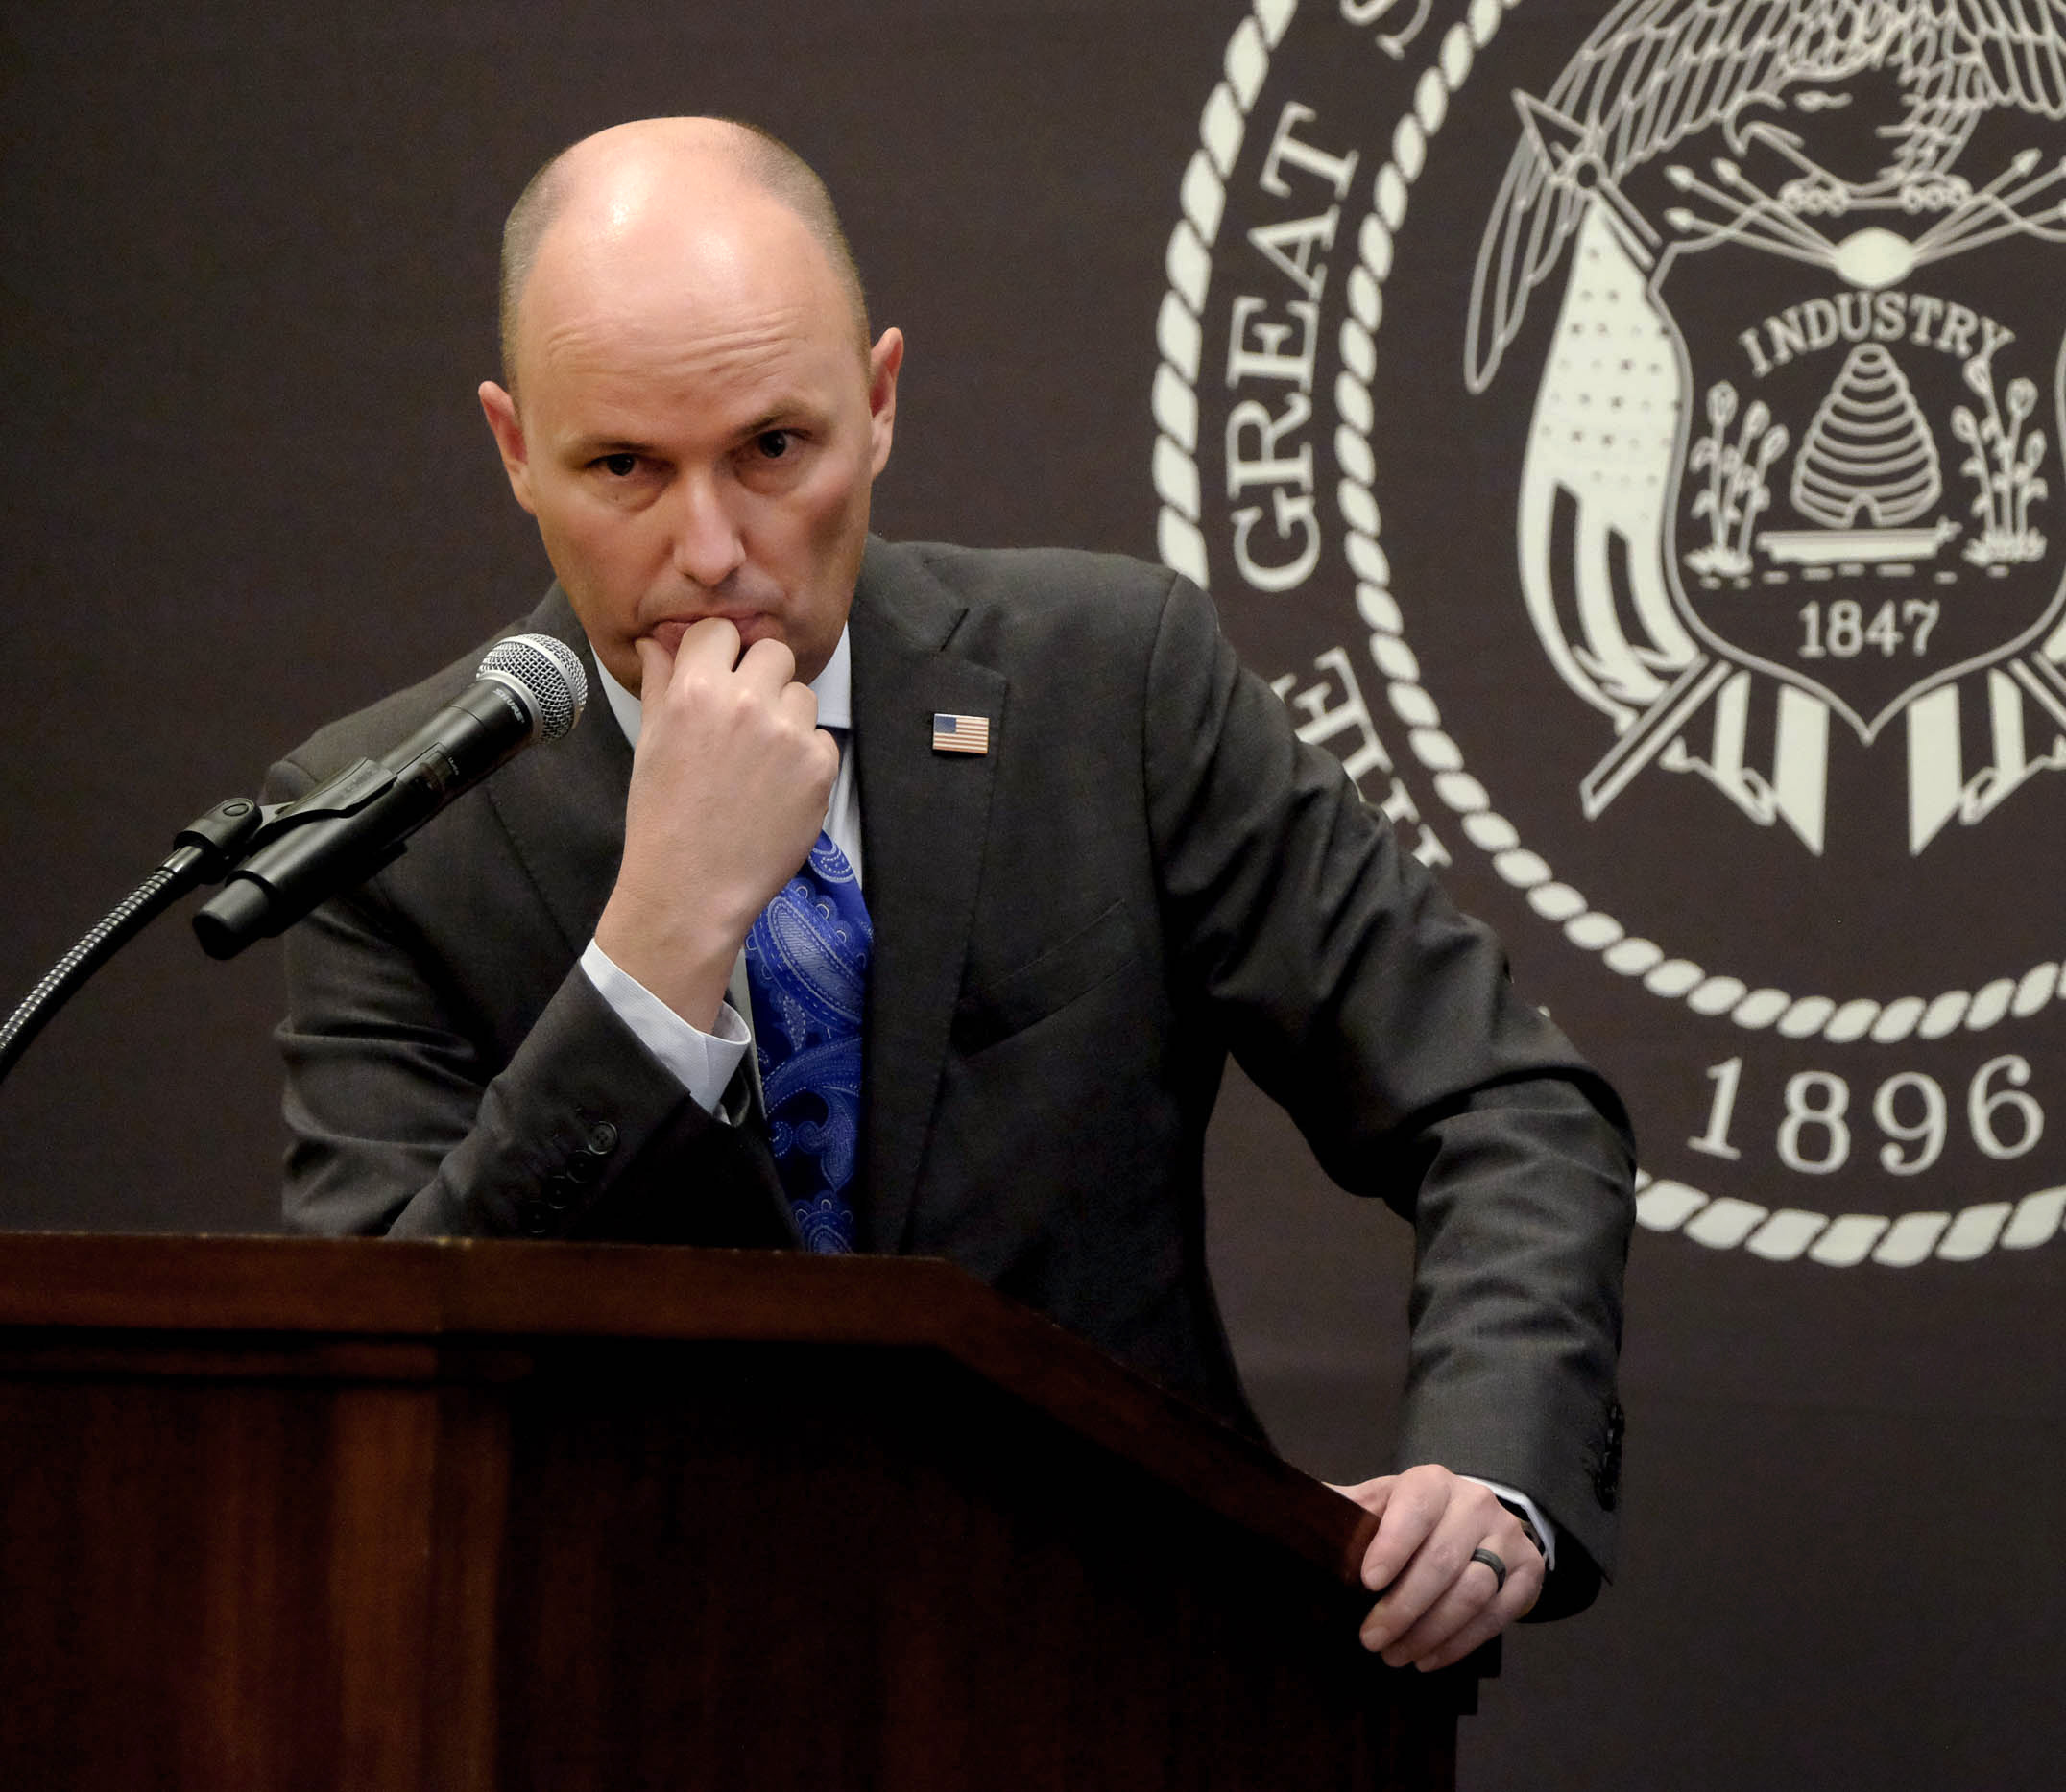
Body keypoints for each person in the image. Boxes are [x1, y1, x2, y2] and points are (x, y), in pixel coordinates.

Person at [269, 117, 1631, 1674]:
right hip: (622, 1688)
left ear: (883, 402)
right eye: (623, 467)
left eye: (774, 449)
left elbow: (1505, 1105)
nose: (708, 549)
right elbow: (378, 1373)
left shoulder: (1108, 684)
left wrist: (1496, 1466)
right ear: (517, 450)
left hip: (1130, 1674)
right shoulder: (383, 825)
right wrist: (659, 949)